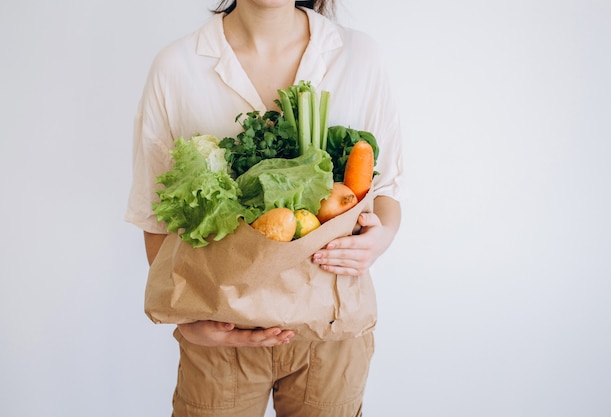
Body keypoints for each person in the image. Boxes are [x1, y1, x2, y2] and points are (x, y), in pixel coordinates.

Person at [125, 1, 403, 416]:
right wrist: (188, 317)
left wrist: (380, 239)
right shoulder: (176, 66)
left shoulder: (357, 56)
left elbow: (388, 187)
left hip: (330, 325)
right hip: (223, 336)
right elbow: (155, 211)